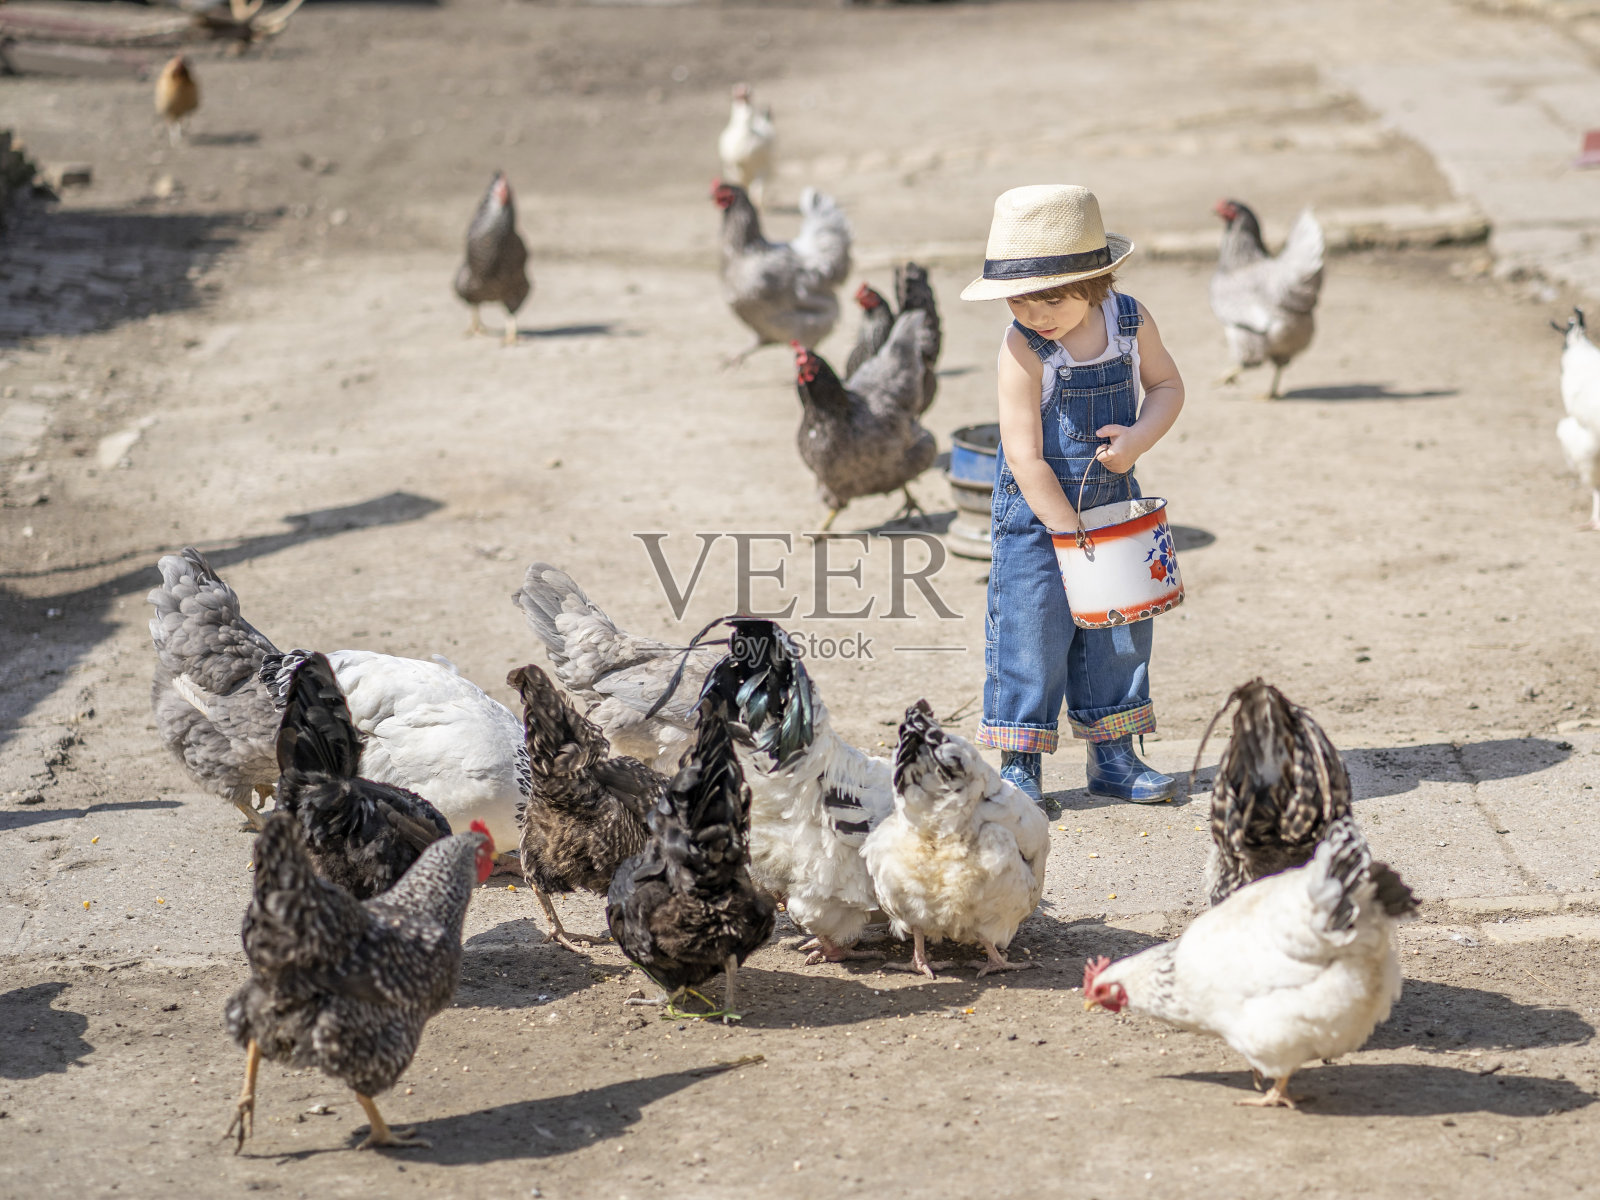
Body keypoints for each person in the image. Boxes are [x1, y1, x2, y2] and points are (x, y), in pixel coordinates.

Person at [960, 185, 1185, 807]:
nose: (1036, 313)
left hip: (1112, 505)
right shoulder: (1022, 349)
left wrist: (1138, 440)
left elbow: (1166, 385)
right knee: (1031, 635)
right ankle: (1020, 765)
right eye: (1020, 298)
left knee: (1118, 634)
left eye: (1052, 296)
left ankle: (1113, 756)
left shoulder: (1131, 322)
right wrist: (1065, 531)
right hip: (1038, 517)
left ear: (1097, 281)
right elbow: (1025, 456)